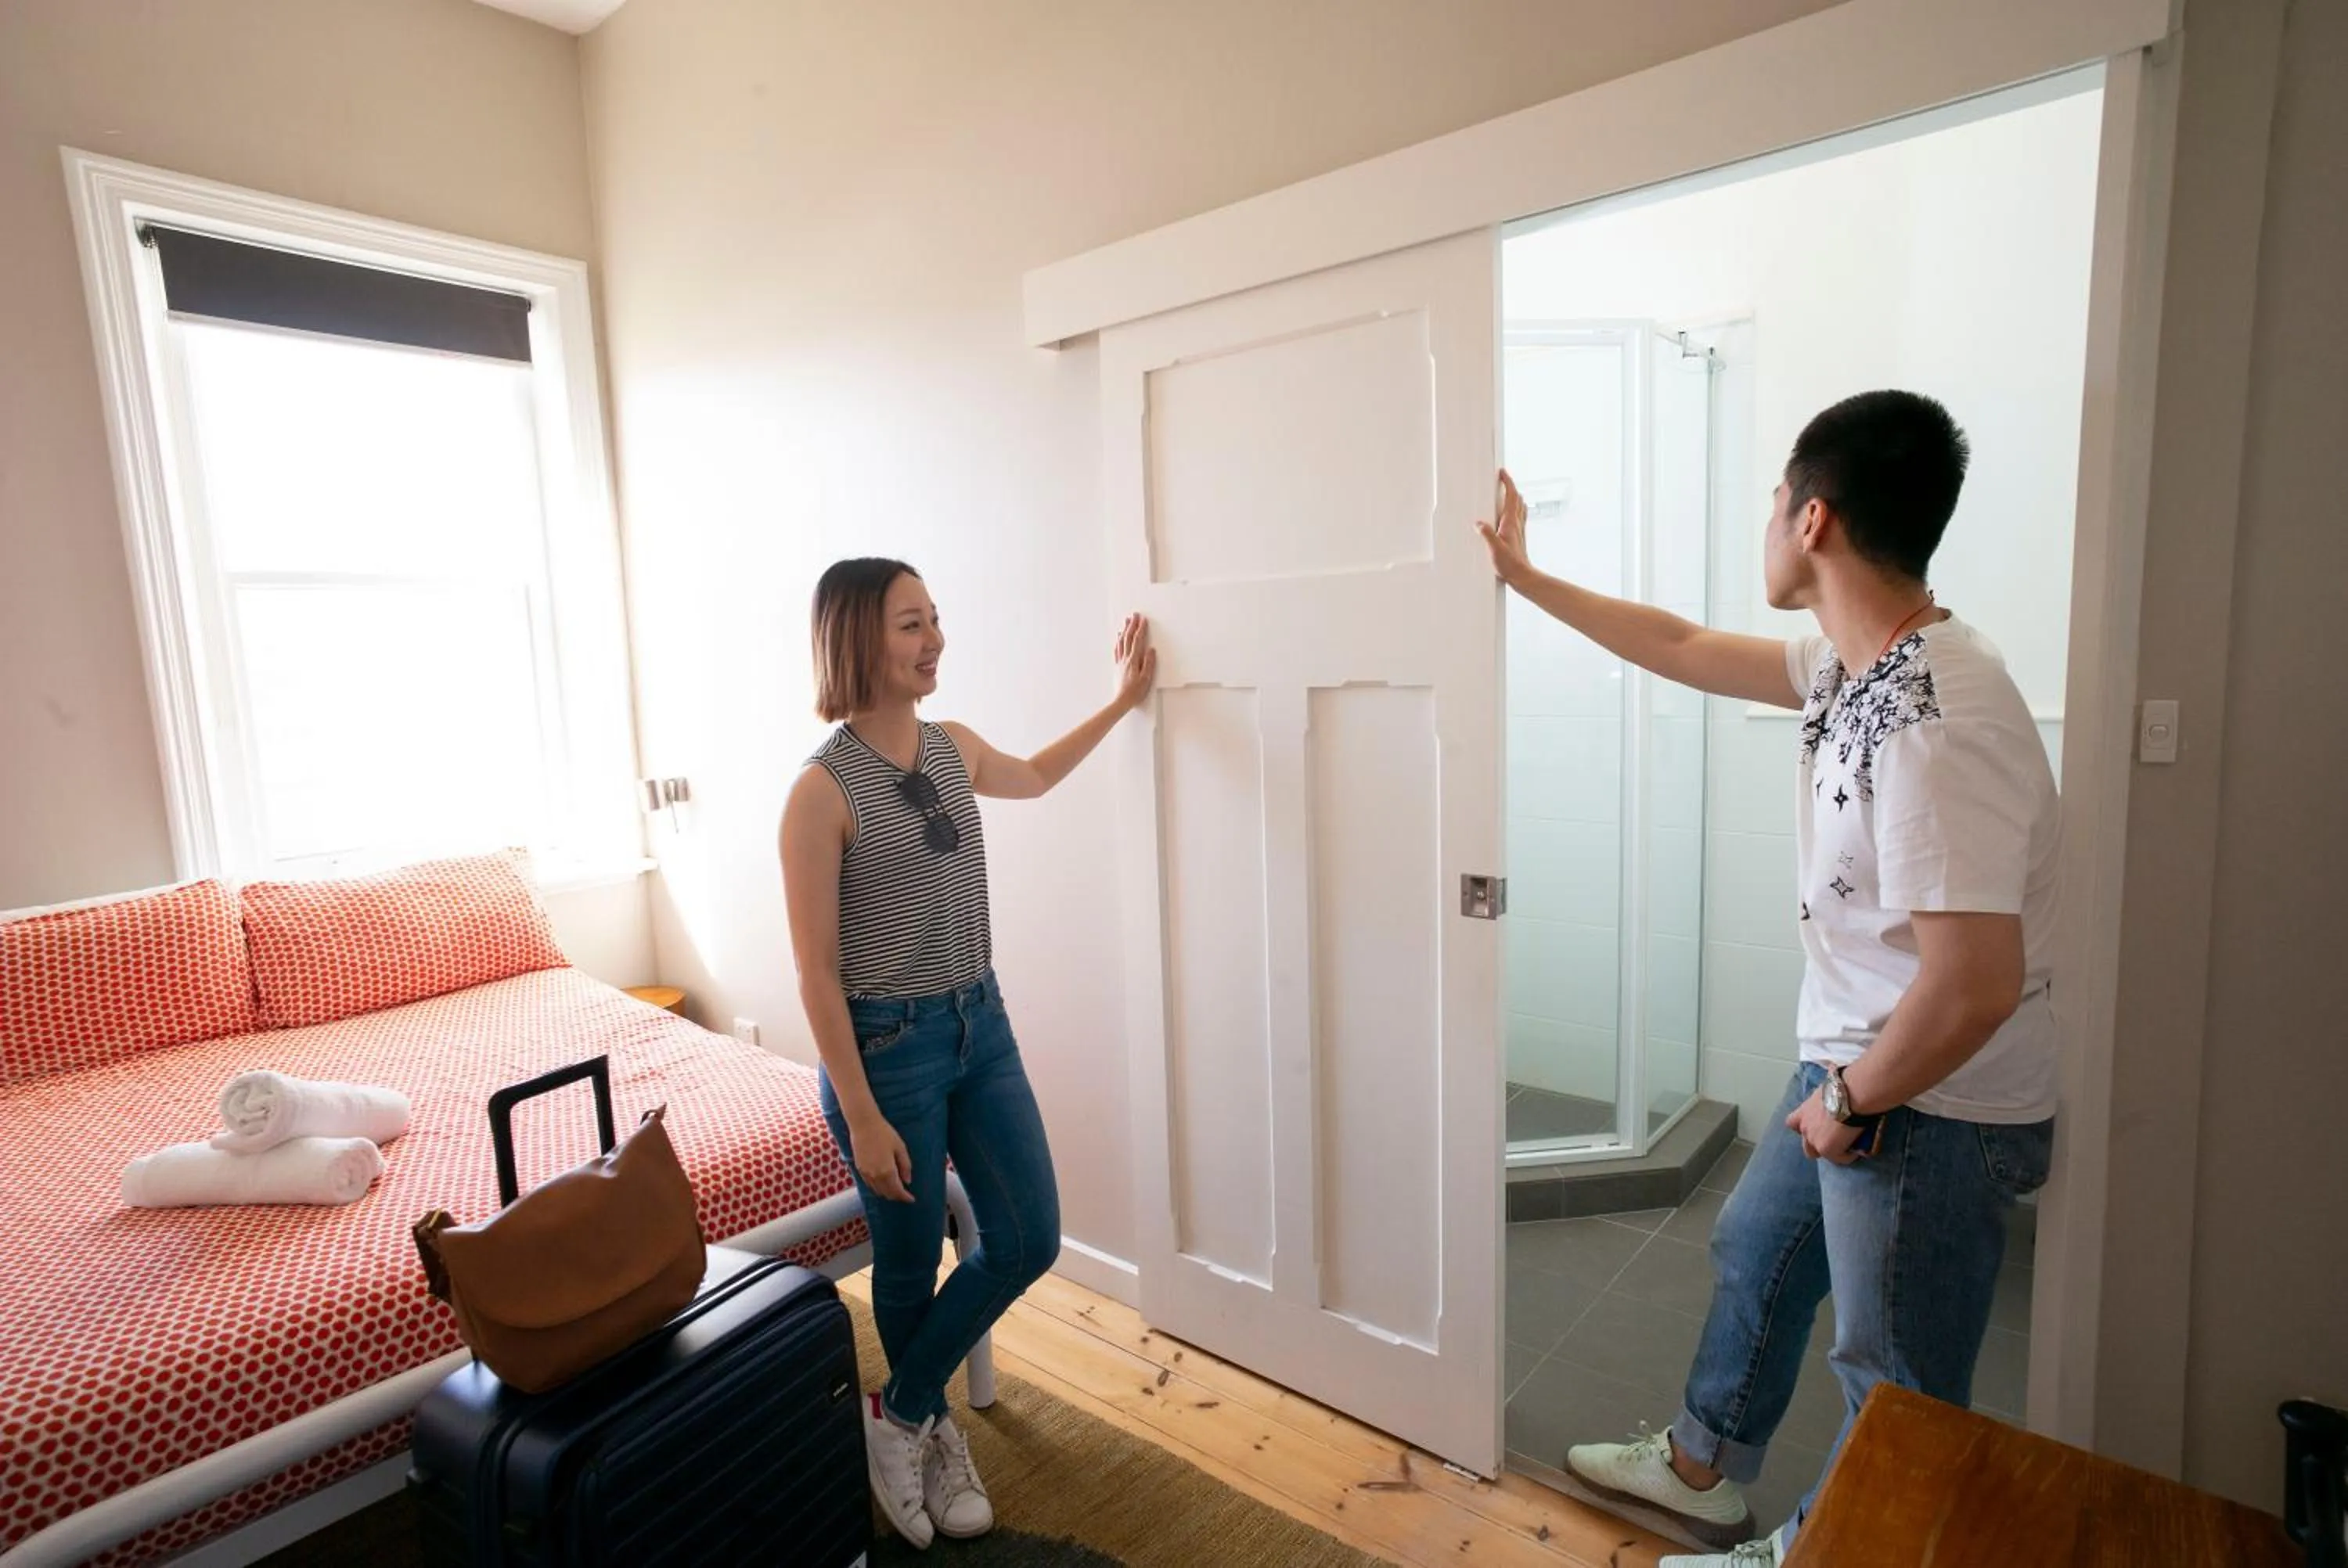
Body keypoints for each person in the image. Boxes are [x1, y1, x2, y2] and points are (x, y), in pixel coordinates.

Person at [1477, 392, 2058, 1567]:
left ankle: (1830, 1552)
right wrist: (1525, 580)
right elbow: (1683, 645)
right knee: (1758, 1247)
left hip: (1924, 1103)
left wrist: (1852, 1105)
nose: (1767, 518)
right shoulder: (1859, 668)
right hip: (1858, 1061)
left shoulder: (1933, 714)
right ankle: (1702, 1467)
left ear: (1813, 519)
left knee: (1897, 1386)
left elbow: (1975, 983)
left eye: (1772, 497)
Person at [779, 557, 1154, 1549]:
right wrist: (859, 1114)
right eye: (911, 624)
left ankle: (896, 1414)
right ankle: (932, 1434)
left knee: (1028, 1238)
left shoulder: (951, 746)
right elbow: (815, 974)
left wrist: (1122, 703)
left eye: (935, 619)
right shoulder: (818, 793)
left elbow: (1030, 773)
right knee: (903, 1268)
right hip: (885, 1050)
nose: (934, 638)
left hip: (980, 1026)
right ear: (858, 637)